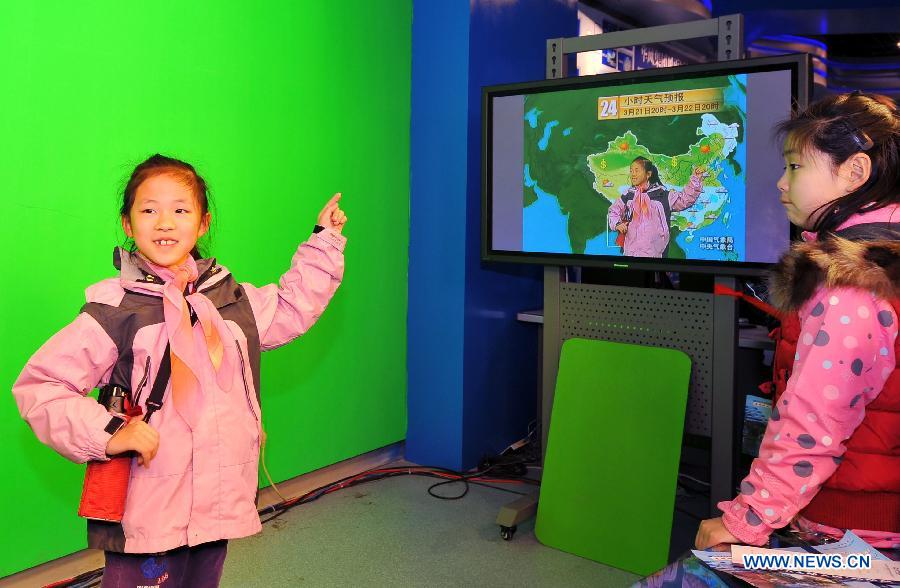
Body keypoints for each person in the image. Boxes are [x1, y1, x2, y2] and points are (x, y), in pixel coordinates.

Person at [12, 154, 348, 586]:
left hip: (216, 502)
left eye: (180, 210)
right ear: (128, 225)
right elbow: (41, 385)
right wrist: (111, 430)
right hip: (148, 510)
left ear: (203, 223)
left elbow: (289, 306)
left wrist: (324, 241)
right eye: (149, 210)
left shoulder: (229, 301)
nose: (165, 222)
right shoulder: (115, 311)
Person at [696, 92, 900, 550]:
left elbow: (813, 419)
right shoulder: (885, 259)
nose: (781, 185)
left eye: (794, 167)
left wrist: (747, 521)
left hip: (855, 532)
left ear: (854, 173)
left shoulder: (852, 283)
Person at [607, 156, 704, 257]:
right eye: (631, 171)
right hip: (631, 255)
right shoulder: (628, 195)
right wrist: (617, 223)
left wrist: (695, 179)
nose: (633, 174)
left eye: (636, 170)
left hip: (655, 256)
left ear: (648, 174)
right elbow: (614, 211)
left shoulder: (662, 195)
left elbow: (685, 200)